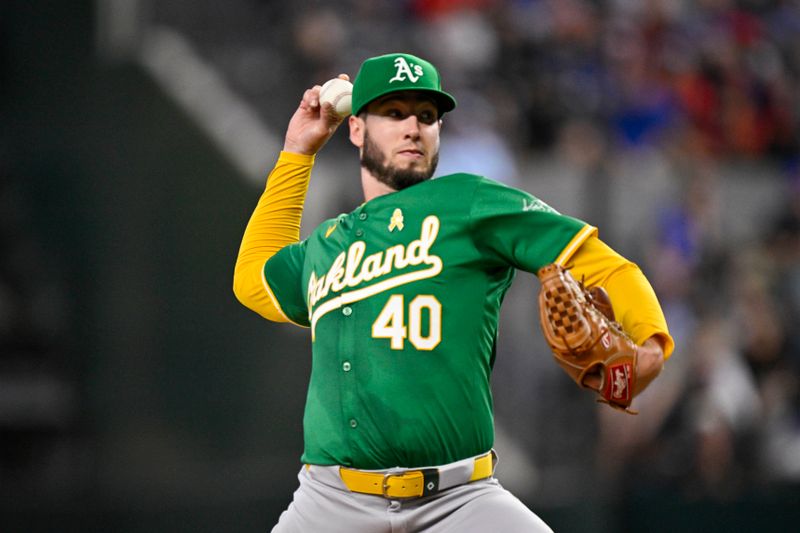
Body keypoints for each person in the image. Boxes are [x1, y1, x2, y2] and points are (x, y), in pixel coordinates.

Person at [233, 52, 674, 532]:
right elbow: (252, 278)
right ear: (356, 129)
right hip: (330, 502)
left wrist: (650, 339)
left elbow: (602, 263)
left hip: (459, 501)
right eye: (394, 112)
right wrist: (298, 152)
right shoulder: (324, 246)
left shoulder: (469, 202)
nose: (413, 128)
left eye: (426, 116)